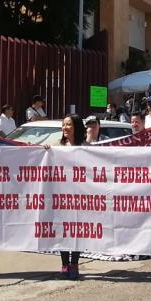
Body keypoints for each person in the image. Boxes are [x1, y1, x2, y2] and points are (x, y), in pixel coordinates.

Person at [59, 114, 87, 279]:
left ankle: (74, 264)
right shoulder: (57, 147)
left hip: (80, 195)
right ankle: (64, 265)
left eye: (68, 125)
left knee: (77, 230)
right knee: (62, 231)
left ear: (76, 127)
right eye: (63, 125)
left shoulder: (85, 147)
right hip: (61, 196)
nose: (65, 128)